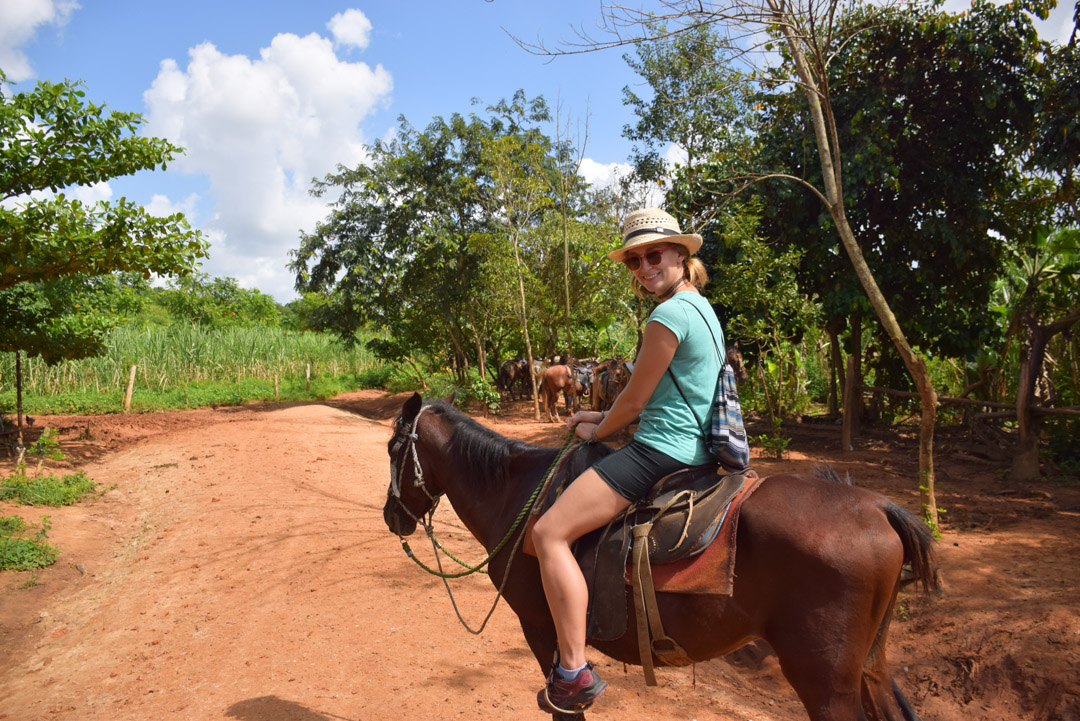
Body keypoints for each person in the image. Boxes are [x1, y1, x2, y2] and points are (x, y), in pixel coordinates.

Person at [532, 207, 727, 714]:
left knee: (548, 533)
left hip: (659, 451)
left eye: (654, 254)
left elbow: (637, 404)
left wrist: (599, 427)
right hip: (694, 446)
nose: (644, 267)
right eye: (634, 260)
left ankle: (572, 673)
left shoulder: (666, 316)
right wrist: (600, 412)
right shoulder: (701, 309)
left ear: (680, 255)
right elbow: (660, 395)